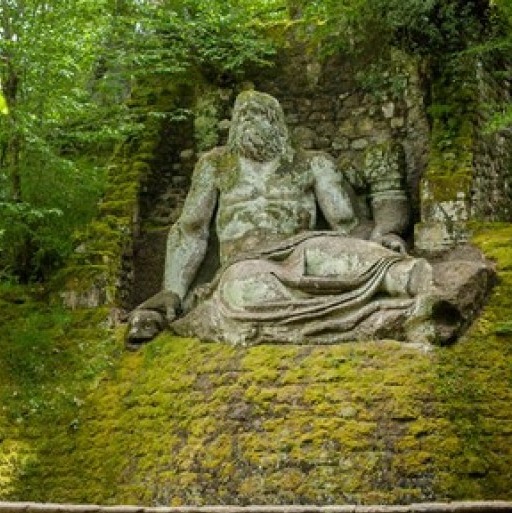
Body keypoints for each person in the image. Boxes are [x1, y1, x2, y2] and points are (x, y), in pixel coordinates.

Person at [127, 90, 435, 346]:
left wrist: (380, 240)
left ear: (278, 124)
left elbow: (348, 225)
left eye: (258, 113)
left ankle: (420, 291)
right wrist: (172, 291)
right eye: (241, 115)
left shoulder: (312, 164)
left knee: (356, 258)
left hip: (304, 245)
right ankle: (365, 317)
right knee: (243, 291)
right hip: (247, 261)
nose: (247, 119)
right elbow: (191, 230)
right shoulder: (216, 166)